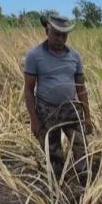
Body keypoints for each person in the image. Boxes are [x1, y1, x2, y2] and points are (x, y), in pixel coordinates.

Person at [23, 12, 93, 178]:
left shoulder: (75, 57)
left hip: (71, 109)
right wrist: (34, 120)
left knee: (81, 148)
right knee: (53, 154)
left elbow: (81, 88)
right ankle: (58, 189)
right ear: (47, 32)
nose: (60, 38)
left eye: (64, 35)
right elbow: (28, 89)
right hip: (47, 111)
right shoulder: (34, 56)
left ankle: (83, 184)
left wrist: (87, 116)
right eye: (56, 34)